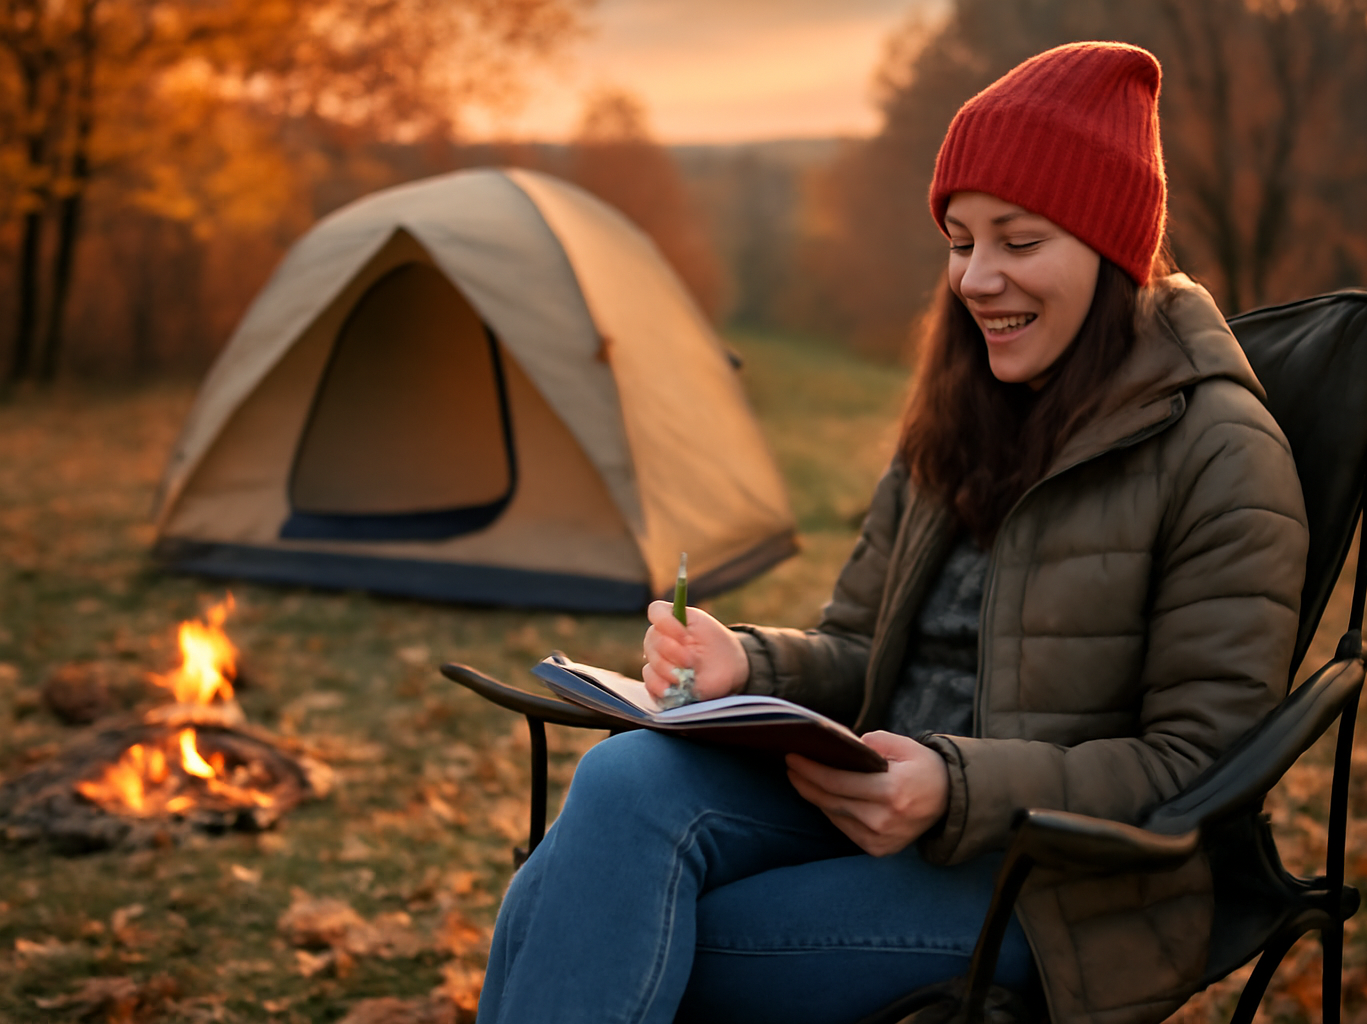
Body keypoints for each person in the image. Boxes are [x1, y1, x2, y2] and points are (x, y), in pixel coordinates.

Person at [477, 40, 1307, 1024]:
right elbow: (861, 646)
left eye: (1019, 240)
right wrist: (746, 662)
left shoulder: (1217, 450)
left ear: (1112, 245)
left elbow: (1197, 765)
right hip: (867, 804)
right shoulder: (965, 413)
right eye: (961, 243)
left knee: (590, 916)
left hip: (1051, 885)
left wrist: (956, 787)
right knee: (621, 785)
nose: (977, 278)